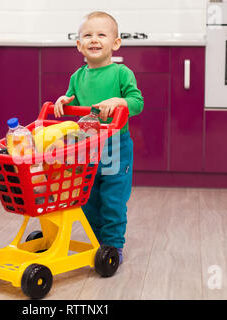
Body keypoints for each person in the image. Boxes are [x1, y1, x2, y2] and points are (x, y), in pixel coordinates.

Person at [54, 11, 144, 264]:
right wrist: (63, 100)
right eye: (88, 35)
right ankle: (97, 243)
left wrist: (120, 101)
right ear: (79, 45)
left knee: (113, 199)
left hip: (116, 146)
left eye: (101, 35)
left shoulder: (121, 73)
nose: (94, 40)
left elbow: (137, 103)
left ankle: (113, 246)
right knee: (88, 198)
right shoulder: (77, 76)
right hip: (87, 146)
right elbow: (73, 100)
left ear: (115, 43)